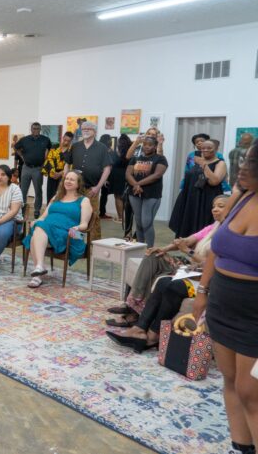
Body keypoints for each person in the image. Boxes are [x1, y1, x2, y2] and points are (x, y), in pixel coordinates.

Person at [194, 140, 258, 454]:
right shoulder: (242, 197)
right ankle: (241, 446)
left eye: (250, 164)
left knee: (252, 392)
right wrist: (202, 294)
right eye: (244, 162)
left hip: (254, 317)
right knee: (231, 381)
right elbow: (215, 250)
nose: (242, 168)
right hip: (221, 306)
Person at [107, 195, 228, 328]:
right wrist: (163, 249)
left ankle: (133, 313)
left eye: (220, 206)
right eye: (214, 206)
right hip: (190, 266)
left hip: (199, 272)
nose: (215, 209)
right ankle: (132, 304)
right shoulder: (213, 227)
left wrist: (187, 251)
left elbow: (211, 264)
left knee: (159, 275)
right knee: (153, 255)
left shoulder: (228, 233)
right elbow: (186, 241)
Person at [23, 171, 92, 288]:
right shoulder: (56, 197)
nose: (68, 181)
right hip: (48, 229)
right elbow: (44, 216)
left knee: (38, 230)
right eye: (66, 178)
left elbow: (84, 225)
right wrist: (37, 220)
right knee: (38, 226)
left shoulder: (84, 200)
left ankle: (38, 272)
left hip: (70, 233)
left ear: (78, 184)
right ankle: (39, 269)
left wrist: (77, 228)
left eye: (72, 179)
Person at [169, 139, 227, 238]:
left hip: (207, 199)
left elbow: (214, 181)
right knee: (188, 225)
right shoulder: (196, 162)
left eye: (209, 148)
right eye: (203, 148)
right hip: (191, 198)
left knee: (204, 227)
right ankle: (189, 248)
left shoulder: (220, 163)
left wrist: (204, 165)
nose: (205, 150)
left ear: (216, 149)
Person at [63, 120, 111, 240]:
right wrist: (66, 179)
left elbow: (107, 168)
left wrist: (98, 187)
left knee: (93, 216)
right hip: (75, 188)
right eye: (83, 129)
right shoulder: (75, 146)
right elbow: (67, 164)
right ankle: (76, 241)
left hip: (92, 189)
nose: (85, 131)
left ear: (94, 132)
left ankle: (94, 244)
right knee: (75, 214)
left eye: (88, 129)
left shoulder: (101, 148)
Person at [125, 136, 167, 247]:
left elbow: (157, 175)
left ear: (155, 146)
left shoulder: (160, 158)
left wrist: (139, 184)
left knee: (146, 223)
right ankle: (140, 247)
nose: (147, 147)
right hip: (134, 193)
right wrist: (135, 184)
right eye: (145, 144)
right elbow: (128, 174)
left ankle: (149, 250)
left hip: (151, 194)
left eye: (150, 145)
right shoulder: (135, 158)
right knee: (138, 223)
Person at [15, 122, 52, 220]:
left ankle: (37, 210)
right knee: (23, 190)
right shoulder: (25, 139)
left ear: (40, 129)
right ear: (31, 129)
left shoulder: (46, 139)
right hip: (26, 168)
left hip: (38, 168)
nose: (36, 130)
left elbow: (50, 149)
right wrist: (22, 157)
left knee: (38, 191)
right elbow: (16, 147)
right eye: (34, 128)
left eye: (38, 128)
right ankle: (21, 209)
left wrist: (46, 158)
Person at [43, 132, 73, 205]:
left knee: (61, 193)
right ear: (63, 137)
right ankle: (49, 209)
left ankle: (59, 210)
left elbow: (71, 164)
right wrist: (53, 173)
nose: (66, 142)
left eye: (68, 141)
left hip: (64, 175)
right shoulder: (55, 146)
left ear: (71, 141)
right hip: (52, 173)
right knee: (50, 193)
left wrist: (60, 174)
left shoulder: (71, 150)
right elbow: (49, 159)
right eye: (65, 139)